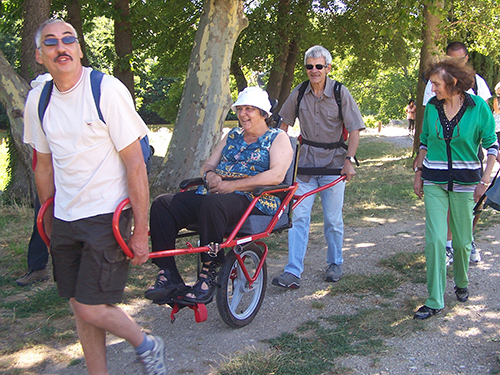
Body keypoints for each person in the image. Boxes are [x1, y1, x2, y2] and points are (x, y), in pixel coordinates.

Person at [23, 19, 166, 374]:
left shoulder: (106, 90)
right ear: (39, 56)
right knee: (80, 305)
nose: (61, 47)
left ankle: (146, 343)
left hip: (107, 215)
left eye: (68, 40)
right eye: (51, 42)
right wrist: (48, 217)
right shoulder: (38, 100)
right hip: (66, 216)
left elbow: (135, 164)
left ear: (79, 49)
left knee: (89, 305)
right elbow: (42, 164)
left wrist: (141, 230)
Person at [145, 87, 293, 304]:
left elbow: (276, 176)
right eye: (240, 109)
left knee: (213, 204)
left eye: (249, 109)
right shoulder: (231, 135)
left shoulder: (277, 138)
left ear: (263, 113)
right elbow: (208, 165)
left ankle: (208, 272)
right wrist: (211, 176)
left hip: (252, 197)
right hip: (216, 193)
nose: (242, 114)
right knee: (163, 204)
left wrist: (233, 186)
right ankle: (168, 274)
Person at [271, 45, 365, 289]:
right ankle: (293, 271)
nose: (314, 70)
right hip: (304, 166)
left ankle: (335, 263)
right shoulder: (299, 92)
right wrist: (280, 157)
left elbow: (354, 129)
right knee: (298, 217)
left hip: (334, 165)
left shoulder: (339, 92)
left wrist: (349, 160)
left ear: (328, 68)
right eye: (310, 66)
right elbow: (284, 126)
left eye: (319, 66)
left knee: (332, 219)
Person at [413, 57, 498, 320]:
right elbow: (425, 141)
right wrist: (418, 172)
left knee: (462, 242)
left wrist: (484, 182)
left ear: (453, 83)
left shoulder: (478, 108)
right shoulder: (431, 107)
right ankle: (435, 300)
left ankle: (461, 281)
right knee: (436, 240)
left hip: (467, 183)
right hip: (434, 180)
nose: (433, 89)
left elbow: (492, 146)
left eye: (437, 84)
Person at [423, 42, 491, 265]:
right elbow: (429, 124)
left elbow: (488, 121)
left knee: (474, 202)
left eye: (459, 60)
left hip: (471, 154)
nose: (454, 63)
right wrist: (420, 163)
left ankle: (467, 239)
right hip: (442, 157)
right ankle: (450, 243)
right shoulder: (434, 89)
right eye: (450, 59)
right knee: (449, 198)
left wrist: (488, 169)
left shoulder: (479, 85)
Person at [16, 74, 53, 287]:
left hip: (73, 177)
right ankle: (38, 268)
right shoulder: (39, 104)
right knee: (41, 220)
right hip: (48, 175)